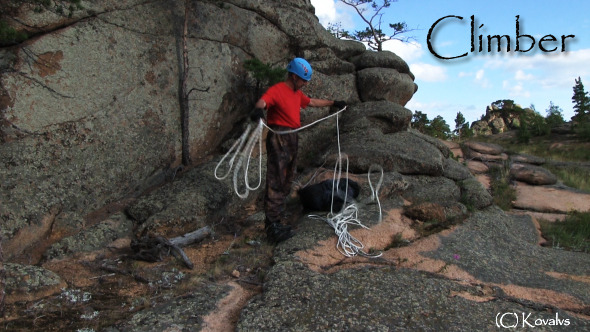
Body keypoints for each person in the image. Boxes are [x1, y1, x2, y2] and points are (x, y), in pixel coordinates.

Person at [251, 57, 347, 243]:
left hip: (292, 136)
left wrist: (333, 102)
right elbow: (264, 101)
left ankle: (277, 220)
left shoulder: (297, 94)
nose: (304, 84)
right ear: (294, 76)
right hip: (279, 135)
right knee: (276, 179)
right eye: (303, 80)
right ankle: (272, 226)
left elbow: (311, 102)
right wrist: (257, 110)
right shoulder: (278, 89)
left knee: (287, 178)